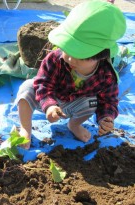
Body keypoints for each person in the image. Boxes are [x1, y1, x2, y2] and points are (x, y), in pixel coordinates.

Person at [15, 0, 126, 149]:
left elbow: (109, 101)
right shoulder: (55, 58)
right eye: (67, 49)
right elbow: (43, 84)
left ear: (101, 56)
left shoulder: (106, 75)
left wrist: (107, 118)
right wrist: (49, 106)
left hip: (76, 105)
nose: (69, 58)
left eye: (79, 55)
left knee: (92, 102)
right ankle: (25, 130)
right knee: (27, 88)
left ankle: (74, 125)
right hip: (49, 98)